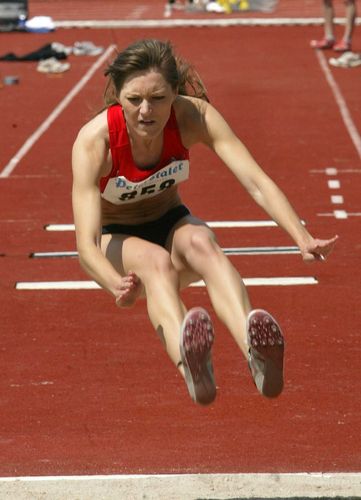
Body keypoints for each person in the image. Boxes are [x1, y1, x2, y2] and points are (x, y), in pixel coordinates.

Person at [72, 39, 338, 406]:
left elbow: (255, 180)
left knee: (203, 242)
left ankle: (256, 353)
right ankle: (193, 369)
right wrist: (114, 284)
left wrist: (301, 235)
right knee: (155, 263)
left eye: (158, 98)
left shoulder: (193, 117)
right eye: (134, 100)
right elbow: (85, 243)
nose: (146, 111)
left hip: (170, 220)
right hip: (116, 239)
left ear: (175, 92)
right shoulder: (94, 142)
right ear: (118, 95)